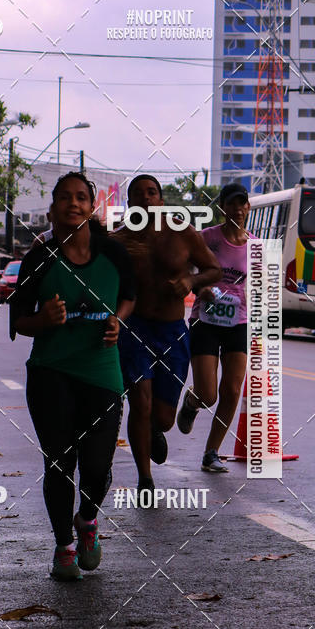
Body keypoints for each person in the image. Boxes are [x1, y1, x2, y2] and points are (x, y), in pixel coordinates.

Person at [10, 172, 135, 581]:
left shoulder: (113, 254)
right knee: (60, 463)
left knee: (97, 468)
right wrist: (43, 320)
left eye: (82, 197)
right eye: (65, 197)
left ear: (92, 205)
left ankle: (87, 520)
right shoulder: (38, 258)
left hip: (102, 373)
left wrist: (118, 319)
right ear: (53, 208)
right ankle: (64, 546)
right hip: (51, 373)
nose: (74, 204)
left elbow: (130, 295)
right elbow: (17, 321)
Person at [112, 175, 221, 498]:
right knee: (140, 404)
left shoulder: (183, 232)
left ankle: (155, 430)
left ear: (161, 199)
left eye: (152, 192)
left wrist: (191, 282)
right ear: (130, 203)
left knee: (162, 417)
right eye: (138, 194)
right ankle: (145, 479)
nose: (146, 199)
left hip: (173, 332)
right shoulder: (120, 239)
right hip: (135, 330)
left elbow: (213, 270)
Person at [177, 182, 253, 472]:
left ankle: (212, 452)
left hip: (239, 321)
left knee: (232, 390)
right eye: (231, 203)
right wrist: (200, 287)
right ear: (222, 208)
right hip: (205, 320)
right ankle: (192, 402)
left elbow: (262, 284)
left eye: (242, 203)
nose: (237, 208)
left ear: (248, 207)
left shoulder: (255, 245)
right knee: (209, 394)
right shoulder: (206, 238)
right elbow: (183, 268)